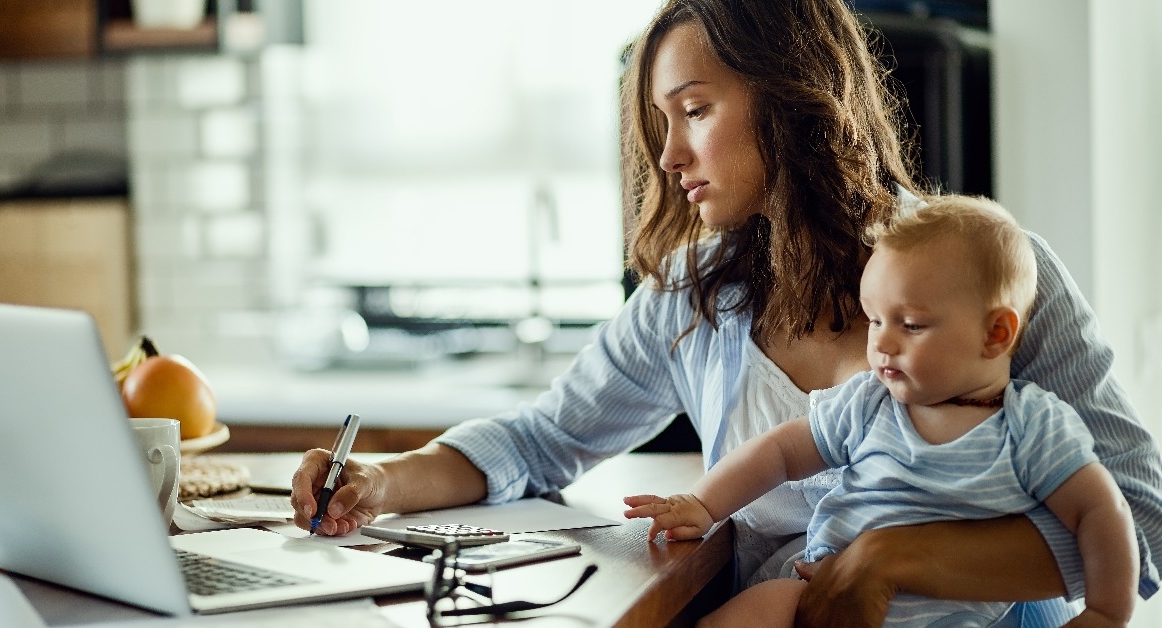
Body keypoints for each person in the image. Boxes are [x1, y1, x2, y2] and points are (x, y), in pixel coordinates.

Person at [290, 1, 1162, 624]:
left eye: (696, 111)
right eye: (661, 122)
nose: (669, 155)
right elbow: (536, 442)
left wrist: (893, 560)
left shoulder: (995, 277)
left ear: (792, 97)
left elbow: (1140, 519)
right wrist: (378, 482)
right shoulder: (692, 293)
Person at [623, 195, 1139, 627]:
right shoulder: (870, 403)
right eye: (874, 321)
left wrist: (1106, 612)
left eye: (911, 325)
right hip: (820, 595)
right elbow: (780, 452)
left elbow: (1104, 512)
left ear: (996, 333)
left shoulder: (1031, 428)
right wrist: (703, 504)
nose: (882, 344)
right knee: (750, 612)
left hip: (956, 620)